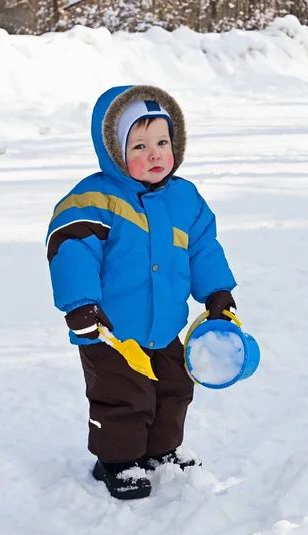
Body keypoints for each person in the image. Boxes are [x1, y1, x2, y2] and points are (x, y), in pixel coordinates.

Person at [46, 85, 237, 500]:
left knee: (173, 389)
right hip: (110, 331)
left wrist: (217, 292)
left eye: (162, 142)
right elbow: (70, 250)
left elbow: (203, 248)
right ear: (113, 151)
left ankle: (160, 452)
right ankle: (117, 461)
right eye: (139, 145)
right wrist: (80, 305)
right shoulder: (92, 200)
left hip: (166, 326)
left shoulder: (185, 199)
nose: (155, 154)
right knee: (122, 397)